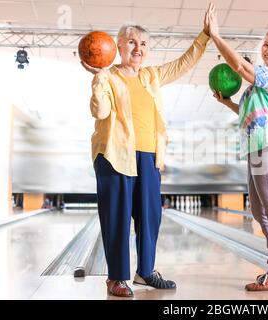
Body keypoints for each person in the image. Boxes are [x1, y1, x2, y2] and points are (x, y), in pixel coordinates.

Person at [81, 10, 211, 297]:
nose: (138, 48)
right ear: (118, 46)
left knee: (150, 216)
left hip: (149, 157)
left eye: (143, 44)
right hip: (115, 156)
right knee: (117, 217)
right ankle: (116, 278)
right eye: (131, 42)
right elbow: (100, 111)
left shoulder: (151, 75)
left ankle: (145, 271)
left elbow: (182, 64)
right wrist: (100, 79)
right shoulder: (109, 77)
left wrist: (205, 36)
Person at [206, 3, 268, 291]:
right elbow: (249, 116)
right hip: (256, 150)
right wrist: (227, 103)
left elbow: (242, 67)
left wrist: (216, 37)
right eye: (267, 45)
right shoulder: (256, 88)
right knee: (259, 211)